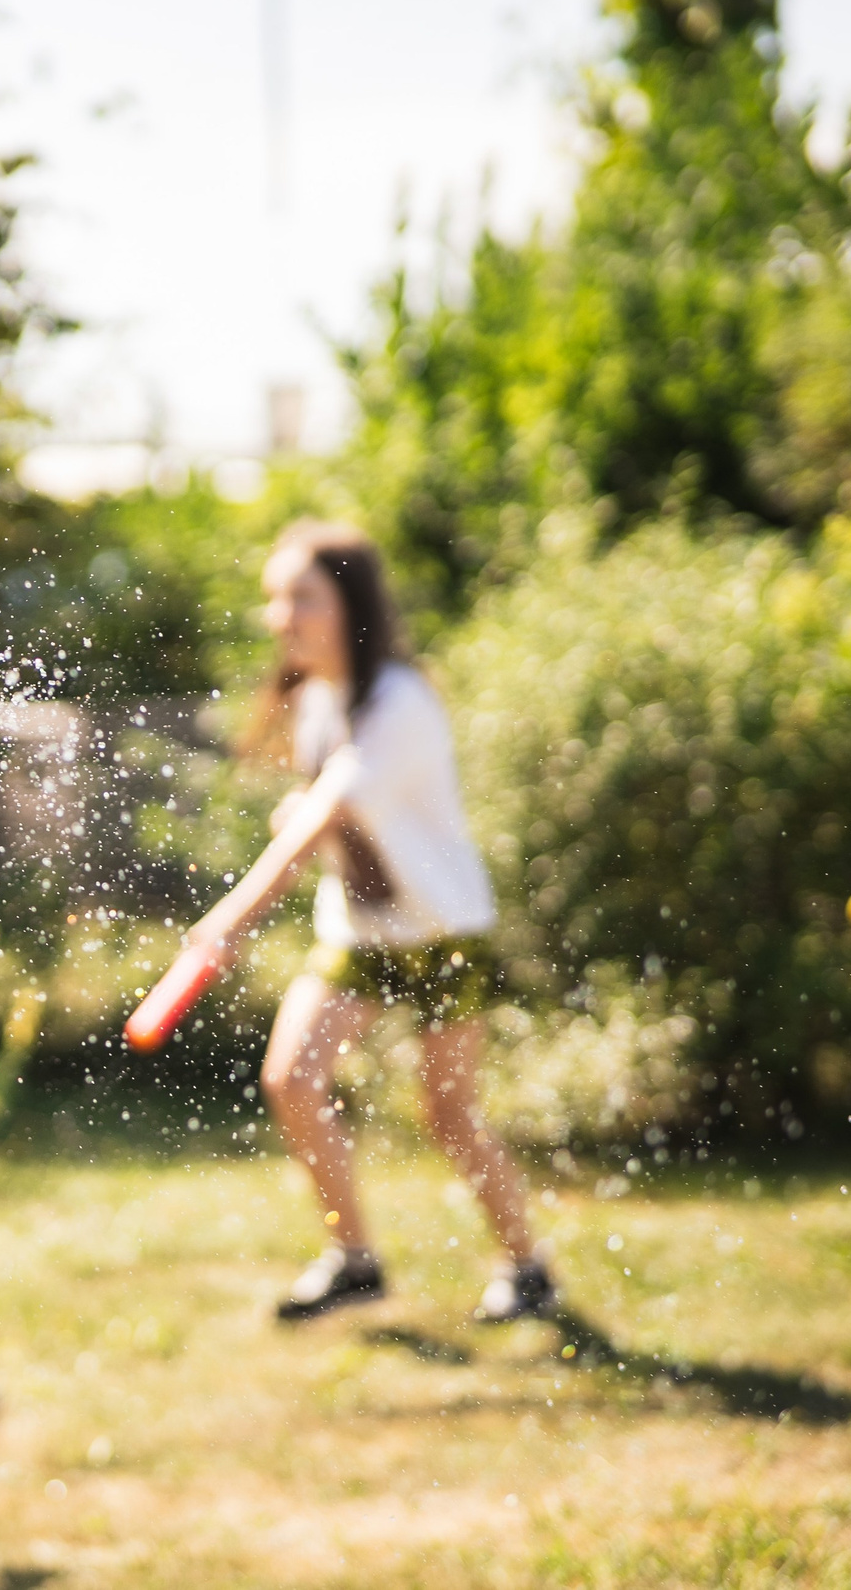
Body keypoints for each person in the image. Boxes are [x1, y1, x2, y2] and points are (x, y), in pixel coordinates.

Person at [180, 521, 557, 1324]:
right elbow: (331, 814)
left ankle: (528, 1267)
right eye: (276, 598)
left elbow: (326, 814)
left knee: (450, 1116)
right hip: (358, 933)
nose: (282, 615)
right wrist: (313, 816)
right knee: (291, 1078)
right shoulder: (320, 701)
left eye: (303, 596)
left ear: (350, 602)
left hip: (442, 934)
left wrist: (230, 918)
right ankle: (355, 1260)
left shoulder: (400, 701)